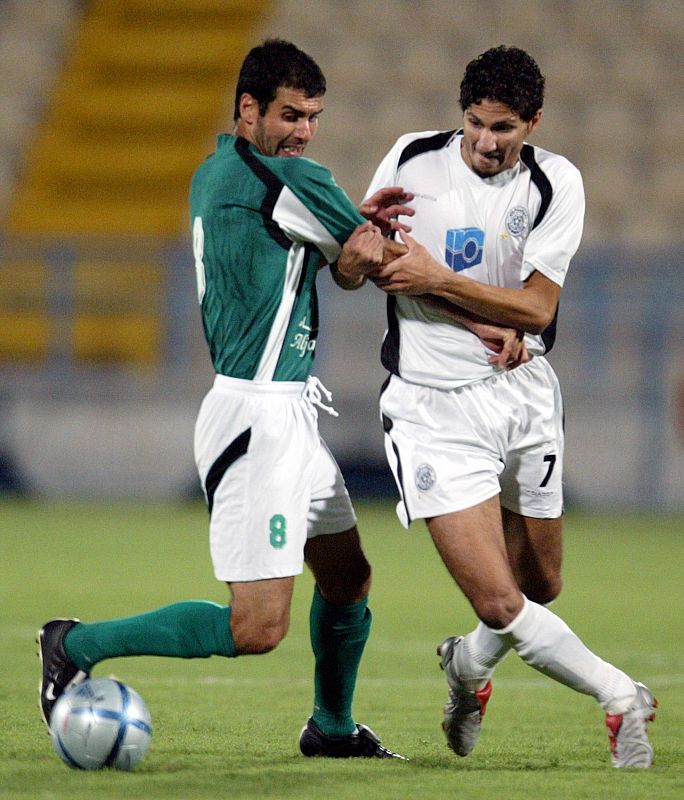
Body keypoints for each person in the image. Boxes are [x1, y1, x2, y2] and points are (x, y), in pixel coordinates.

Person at [37, 38, 412, 760]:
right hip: (258, 421)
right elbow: (370, 264)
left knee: (347, 574)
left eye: (314, 118)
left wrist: (343, 229)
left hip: (287, 414)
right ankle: (76, 642)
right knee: (257, 628)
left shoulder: (214, 173)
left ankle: (331, 728)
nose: (304, 132)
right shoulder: (291, 181)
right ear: (247, 108)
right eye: (291, 115)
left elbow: (319, 246)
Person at [363, 45, 657, 768]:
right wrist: (454, 303)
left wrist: (444, 282)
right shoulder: (412, 158)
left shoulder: (557, 182)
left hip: (524, 396)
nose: (485, 144)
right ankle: (620, 697)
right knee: (500, 601)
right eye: (474, 125)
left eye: (503, 129)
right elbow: (372, 264)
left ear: (533, 122)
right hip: (433, 406)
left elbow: (535, 304)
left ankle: (466, 667)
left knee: (540, 585)